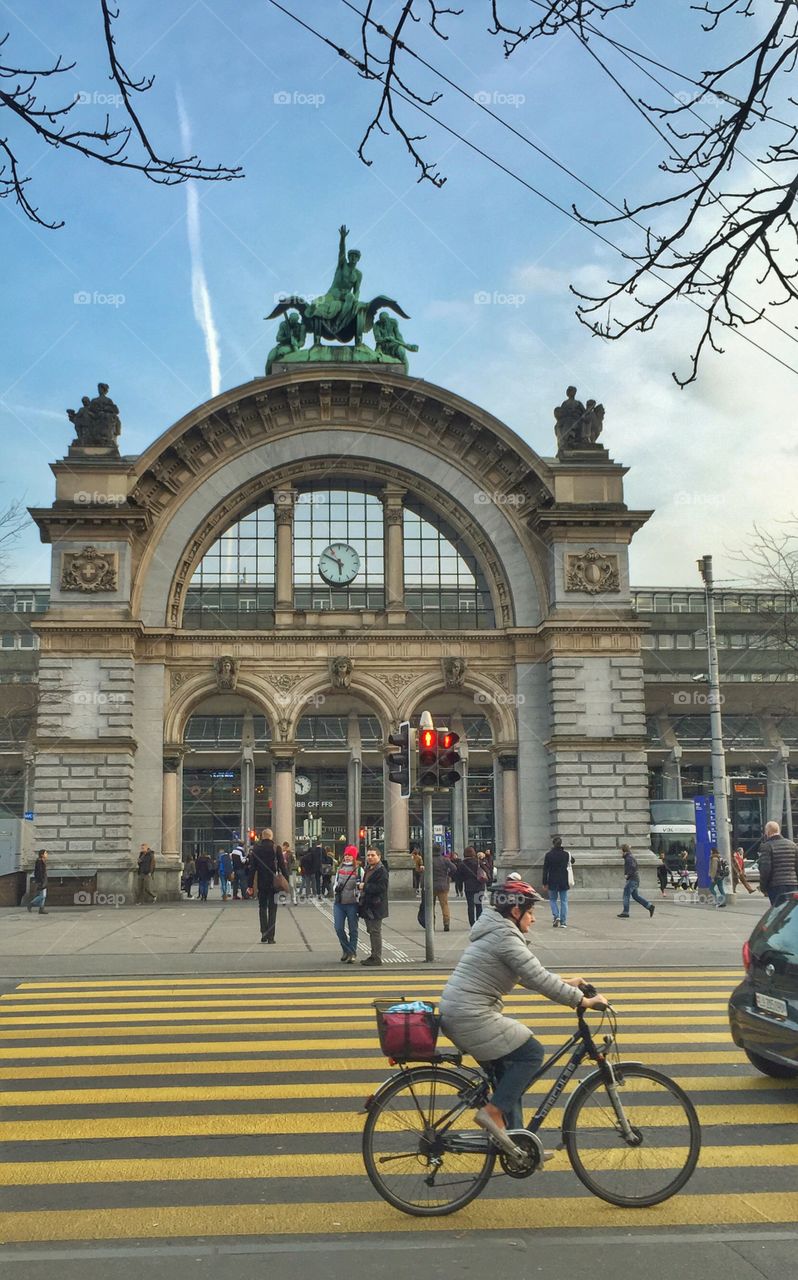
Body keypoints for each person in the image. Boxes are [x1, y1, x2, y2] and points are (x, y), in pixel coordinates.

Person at [439, 878, 607, 1155]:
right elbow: (537, 977)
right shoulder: (505, 937)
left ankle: (515, 1143)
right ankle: (492, 1113)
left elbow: (528, 975)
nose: (534, 919)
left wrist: (568, 982)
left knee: (508, 1072)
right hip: (470, 1016)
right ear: (515, 911)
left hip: (461, 1013)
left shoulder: (497, 932)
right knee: (530, 1052)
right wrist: (584, 1001)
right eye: (530, 911)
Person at [251, 827, 287, 943]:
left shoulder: (256, 849)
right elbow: (282, 866)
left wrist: (250, 885)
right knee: (272, 909)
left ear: (262, 836)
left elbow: (252, 868)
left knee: (262, 908)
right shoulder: (276, 848)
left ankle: (264, 933)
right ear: (271, 837)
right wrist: (287, 880)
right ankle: (271, 937)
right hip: (274, 883)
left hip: (262, 882)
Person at [360, 846, 389, 965]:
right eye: (368, 855)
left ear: (379, 857)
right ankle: (373, 955)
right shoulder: (368, 869)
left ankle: (376, 957)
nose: (370, 857)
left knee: (375, 931)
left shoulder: (381, 870)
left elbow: (382, 888)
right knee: (371, 930)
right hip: (368, 905)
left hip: (376, 905)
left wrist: (364, 886)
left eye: (373, 855)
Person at [758, 821, 798, 907]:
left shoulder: (767, 846)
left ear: (767, 832)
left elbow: (765, 869)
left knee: (778, 911)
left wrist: (763, 887)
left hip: (776, 886)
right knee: (790, 911)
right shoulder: (793, 845)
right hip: (793, 885)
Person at [333, 845, 361, 963]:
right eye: (346, 855)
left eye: (350, 855)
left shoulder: (359, 870)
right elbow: (335, 883)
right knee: (338, 928)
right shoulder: (339, 868)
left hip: (352, 903)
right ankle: (347, 950)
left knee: (353, 929)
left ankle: (352, 952)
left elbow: (361, 885)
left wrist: (358, 895)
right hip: (339, 903)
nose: (347, 857)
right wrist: (335, 888)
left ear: (354, 857)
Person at [541, 835, 572, 929]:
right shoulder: (566, 854)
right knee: (564, 901)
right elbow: (573, 861)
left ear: (553, 844)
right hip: (563, 880)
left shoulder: (549, 855)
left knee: (553, 900)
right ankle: (563, 922)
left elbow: (545, 869)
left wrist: (544, 882)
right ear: (561, 844)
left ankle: (556, 915)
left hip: (552, 880)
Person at [617, 844, 655, 919]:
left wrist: (628, 875)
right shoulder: (629, 857)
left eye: (620, 850)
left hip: (632, 879)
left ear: (623, 850)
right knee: (635, 896)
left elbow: (633, 867)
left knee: (626, 895)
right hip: (634, 879)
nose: (619, 852)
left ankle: (625, 912)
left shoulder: (629, 858)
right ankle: (650, 906)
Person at [459, 846, 486, 927]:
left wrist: (461, 885)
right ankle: (479, 921)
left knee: (470, 906)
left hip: (469, 887)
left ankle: (472, 923)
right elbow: (486, 871)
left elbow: (459, 876)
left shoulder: (462, 863)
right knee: (479, 905)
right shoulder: (478, 862)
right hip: (479, 886)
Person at [431, 842, 453, 932]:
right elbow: (454, 868)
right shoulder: (445, 860)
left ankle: (432, 924)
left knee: (430, 906)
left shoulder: (429, 859)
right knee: (444, 905)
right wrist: (447, 874)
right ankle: (446, 923)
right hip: (443, 885)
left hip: (431, 885)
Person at [23, 849, 49, 914]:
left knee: (43, 895)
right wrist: (41, 881)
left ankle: (41, 909)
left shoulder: (42, 861)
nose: (47, 854)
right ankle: (31, 904)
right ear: (42, 855)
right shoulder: (39, 862)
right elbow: (39, 872)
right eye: (45, 853)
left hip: (43, 880)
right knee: (42, 896)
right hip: (42, 880)